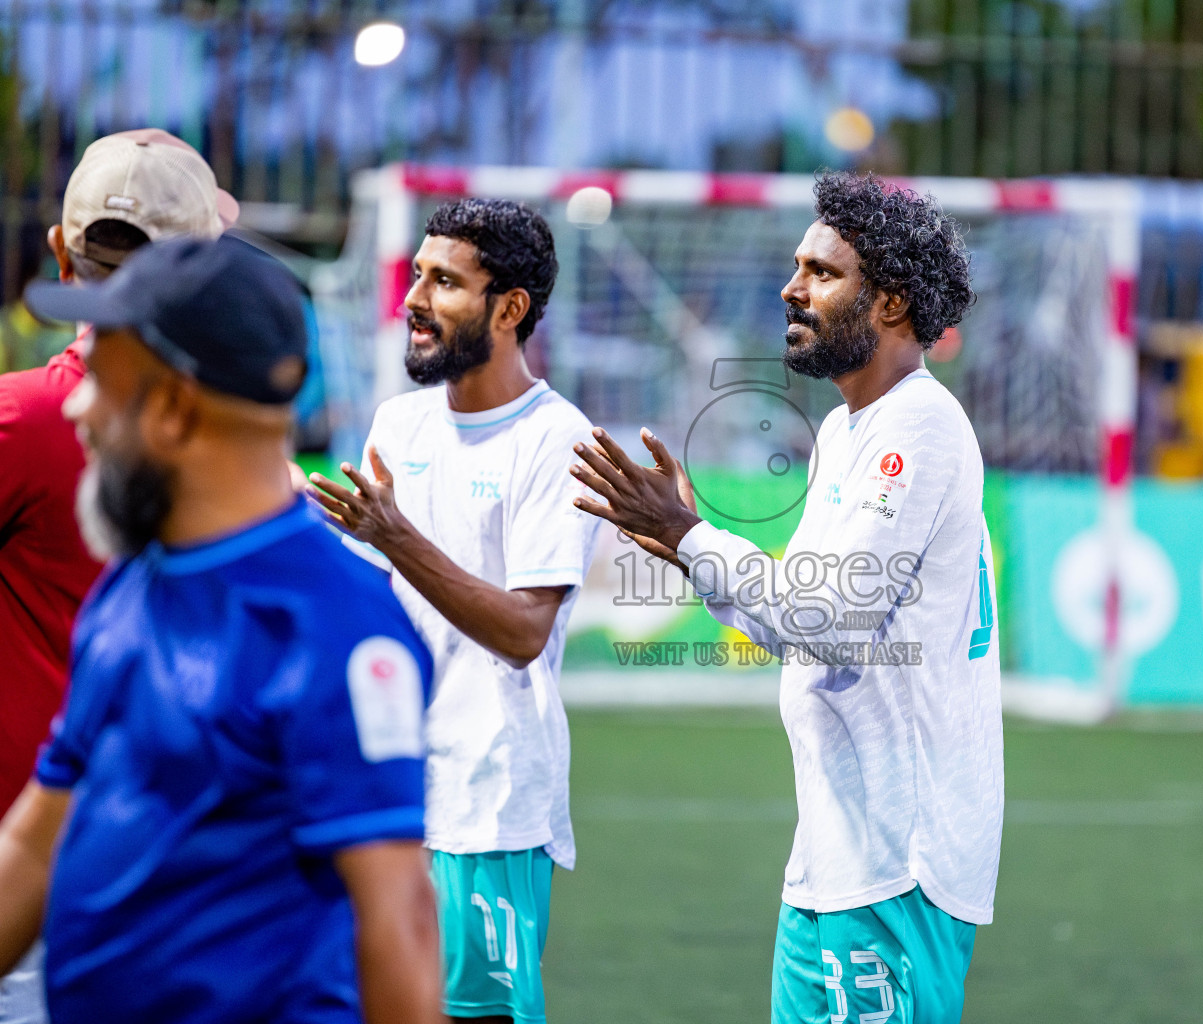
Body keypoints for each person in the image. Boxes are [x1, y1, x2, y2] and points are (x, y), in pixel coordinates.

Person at [569, 171, 1003, 1024]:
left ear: (888, 303)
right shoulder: (846, 430)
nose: (790, 286)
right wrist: (685, 544)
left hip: (897, 864)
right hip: (835, 851)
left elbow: (833, 620)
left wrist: (693, 540)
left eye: (821, 270)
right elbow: (798, 623)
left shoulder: (920, 424)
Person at [0, 235, 442, 1024]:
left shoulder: (337, 630)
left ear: (171, 409)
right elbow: (36, 842)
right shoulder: (133, 587)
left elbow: (398, 922)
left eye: (99, 380)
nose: (76, 407)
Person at [308, 199, 599, 1024]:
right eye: (417, 276)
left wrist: (395, 537)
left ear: (509, 309)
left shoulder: (557, 442)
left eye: (445, 282)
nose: (415, 298)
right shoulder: (398, 423)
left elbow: (523, 631)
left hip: (488, 809)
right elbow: (367, 600)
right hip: (388, 792)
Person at [0, 128, 231, 1023]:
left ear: (61, 251)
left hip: (34, 872)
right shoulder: (246, 442)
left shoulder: (22, 419)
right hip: (188, 873)